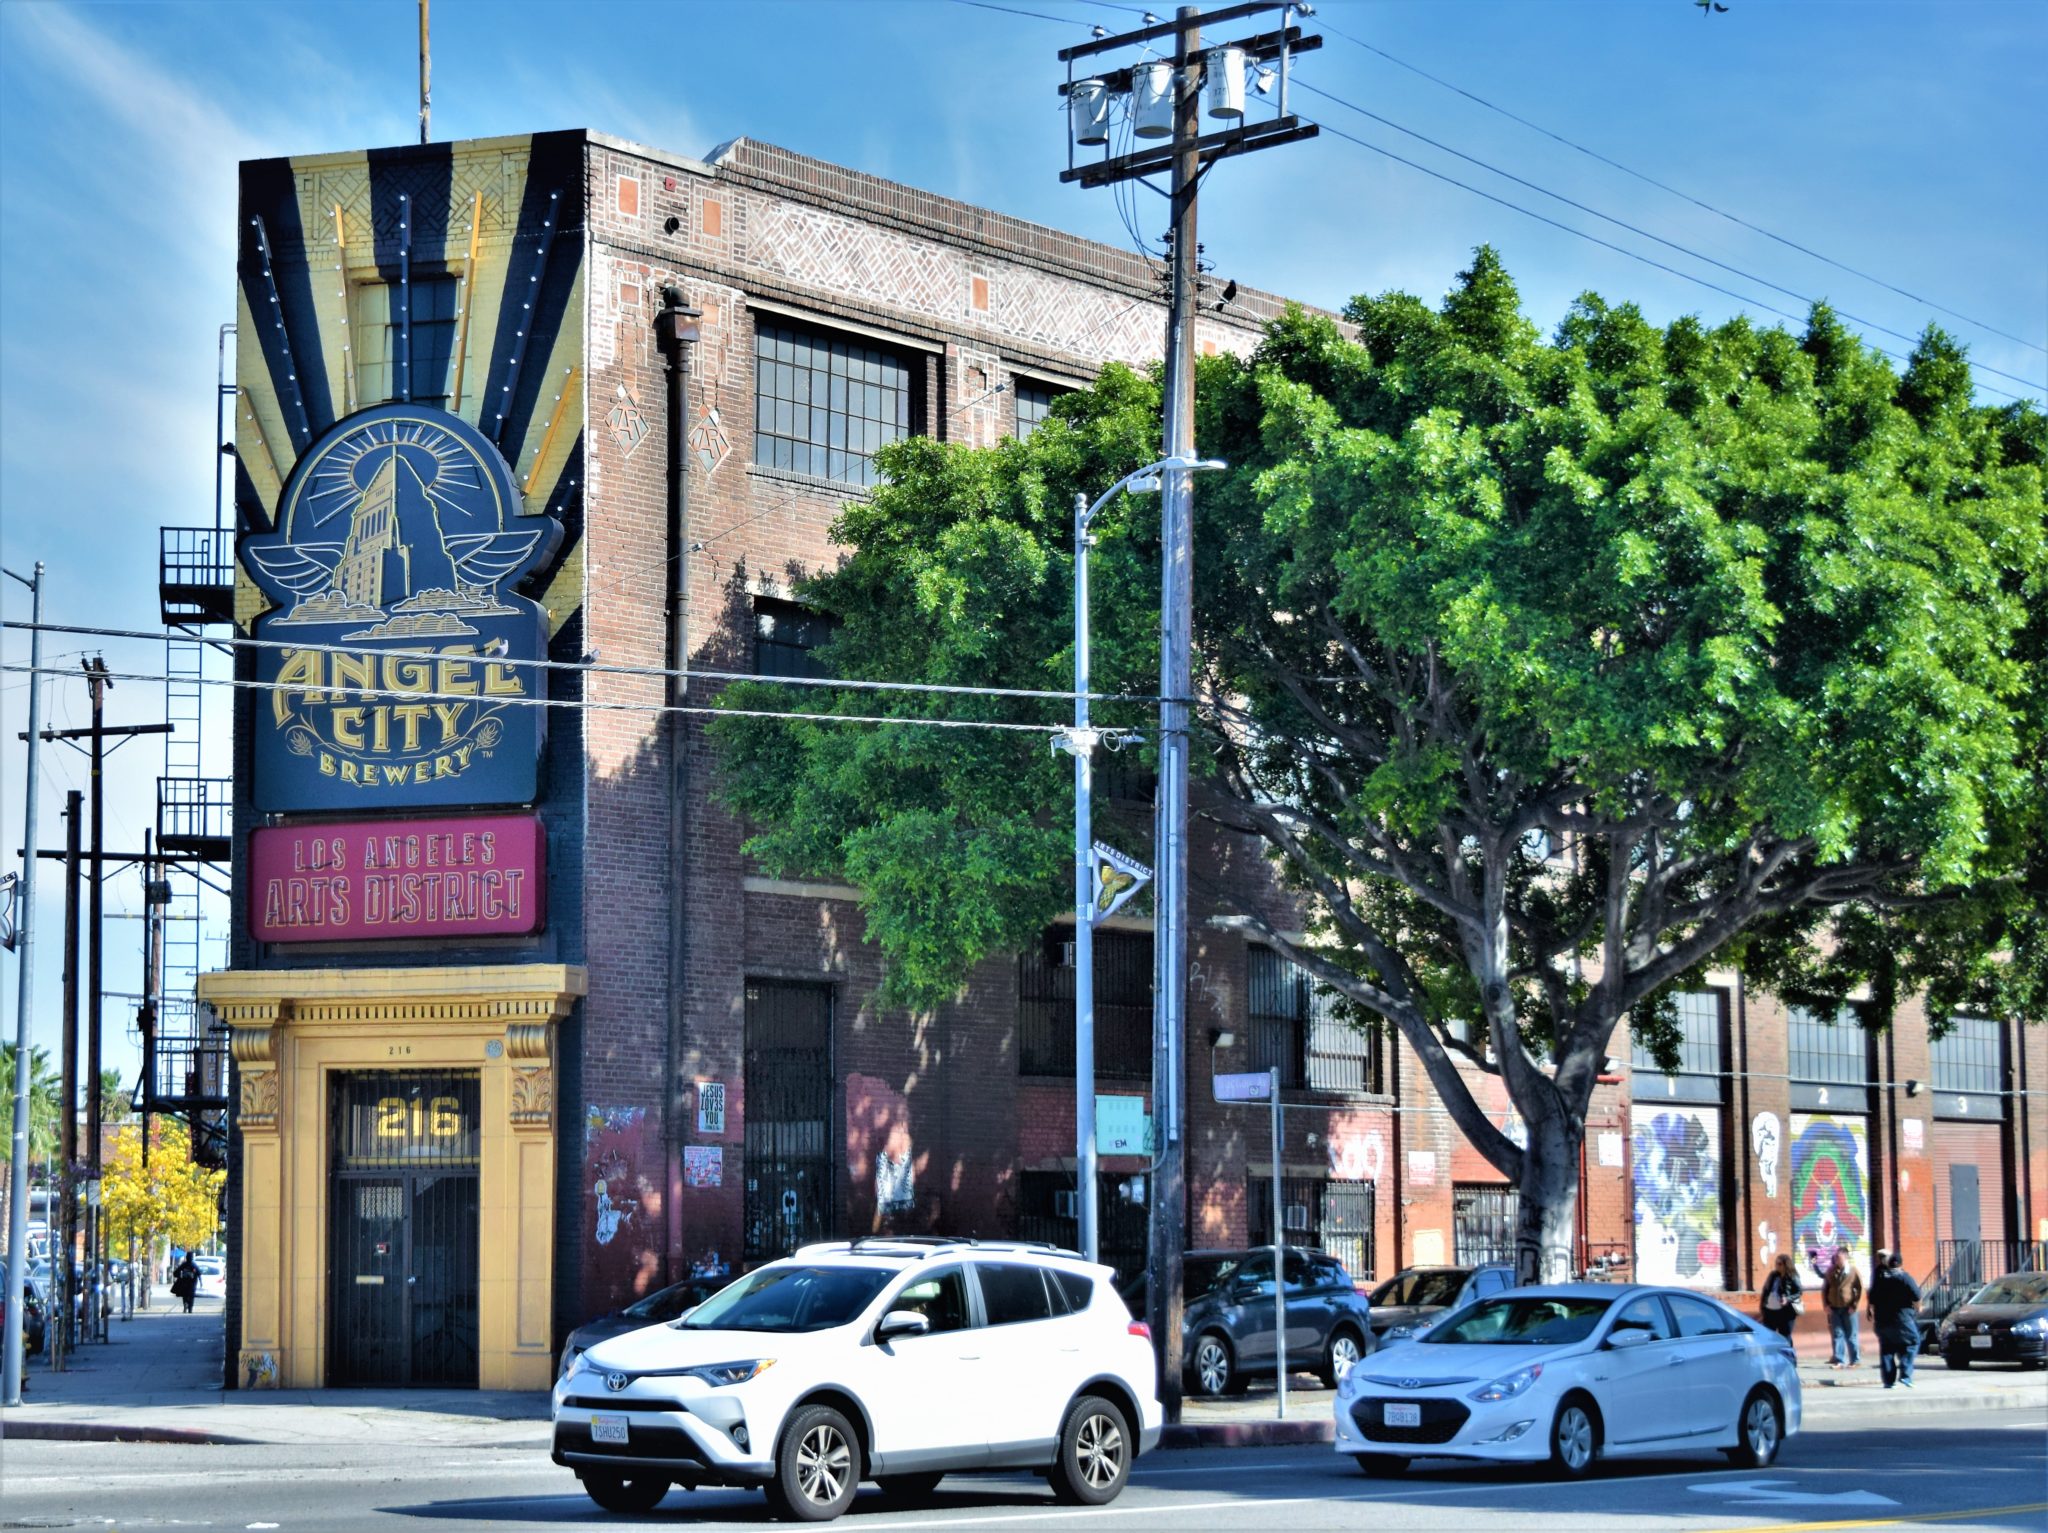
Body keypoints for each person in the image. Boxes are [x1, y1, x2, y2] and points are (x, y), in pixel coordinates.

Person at [1869, 1251, 1922, 1389]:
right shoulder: (1904, 1277)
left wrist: (1871, 1310)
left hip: (1882, 1320)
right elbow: (1917, 1295)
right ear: (1900, 1264)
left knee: (1887, 1349)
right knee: (1913, 1342)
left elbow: (1872, 1297)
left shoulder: (1880, 1278)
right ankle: (1905, 1374)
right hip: (1901, 1319)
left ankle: (1888, 1381)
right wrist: (1918, 1308)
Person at [1815, 1247, 1864, 1367]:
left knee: (1851, 1334)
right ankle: (1839, 1360)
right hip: (1834, 1308)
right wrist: (1826, 1304)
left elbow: (1860, 1289)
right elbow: (1825, 1288)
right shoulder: (1831, 1270)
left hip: (1848, 1308)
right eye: (1836, 1258)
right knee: (1837, 1334)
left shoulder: (1853, 1271)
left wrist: (1855, 1305)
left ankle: (1855, 1360)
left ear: (1845, 1257)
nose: (1836, 1260)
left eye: (1839, 1258)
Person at [1758, 1252, 1803, 1339]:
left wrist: (1788, 1299)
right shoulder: (1773, 1275)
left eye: (1779, 1264)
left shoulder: (1792, 1276)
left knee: (1785, 1336)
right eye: (1776, 1263)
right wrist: (1762, 1307)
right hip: (1770, 1311)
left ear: (1786, 1265)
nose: (1777, 1266)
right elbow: (1766, 1290)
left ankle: (1788, 1352)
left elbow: (1799, 1291)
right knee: (1769, 1335)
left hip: (1786, 1312)